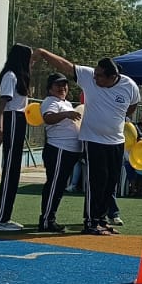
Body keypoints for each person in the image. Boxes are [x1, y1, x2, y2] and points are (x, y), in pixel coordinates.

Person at [35, 50, 140, 236]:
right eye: (95, 73)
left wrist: (117, 115)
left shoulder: (129, 85)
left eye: (100, 76)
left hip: (117, 141)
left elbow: (132, 105)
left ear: (112, 77)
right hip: (93, 140)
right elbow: (66, 66)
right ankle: (91, 222)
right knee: (96, 182)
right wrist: (43, 54)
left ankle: (102, 220)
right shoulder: (89, 77)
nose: (95, 77)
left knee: (111, 183)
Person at [0, 44, 34, 232]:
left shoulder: (20, 77)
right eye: (30, 58)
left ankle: (4, 216)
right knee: (10, 169)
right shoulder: (11, 76)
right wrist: (0, 128)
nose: (32, 62)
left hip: (20, 118)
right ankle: (1, 219)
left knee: (14, 170)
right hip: (13, 118)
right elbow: (2, 106)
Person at [36, 73, 82, 232]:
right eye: (58, 85)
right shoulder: (50, 101)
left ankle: (50, 218)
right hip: (58, 148)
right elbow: (48, 118)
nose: (62, 88)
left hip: (69, 150)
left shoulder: (66, 103)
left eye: (64, 84)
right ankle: (46, 220)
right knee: (54, 185)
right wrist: (66, 114)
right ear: (50, 88)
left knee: (59, 186)